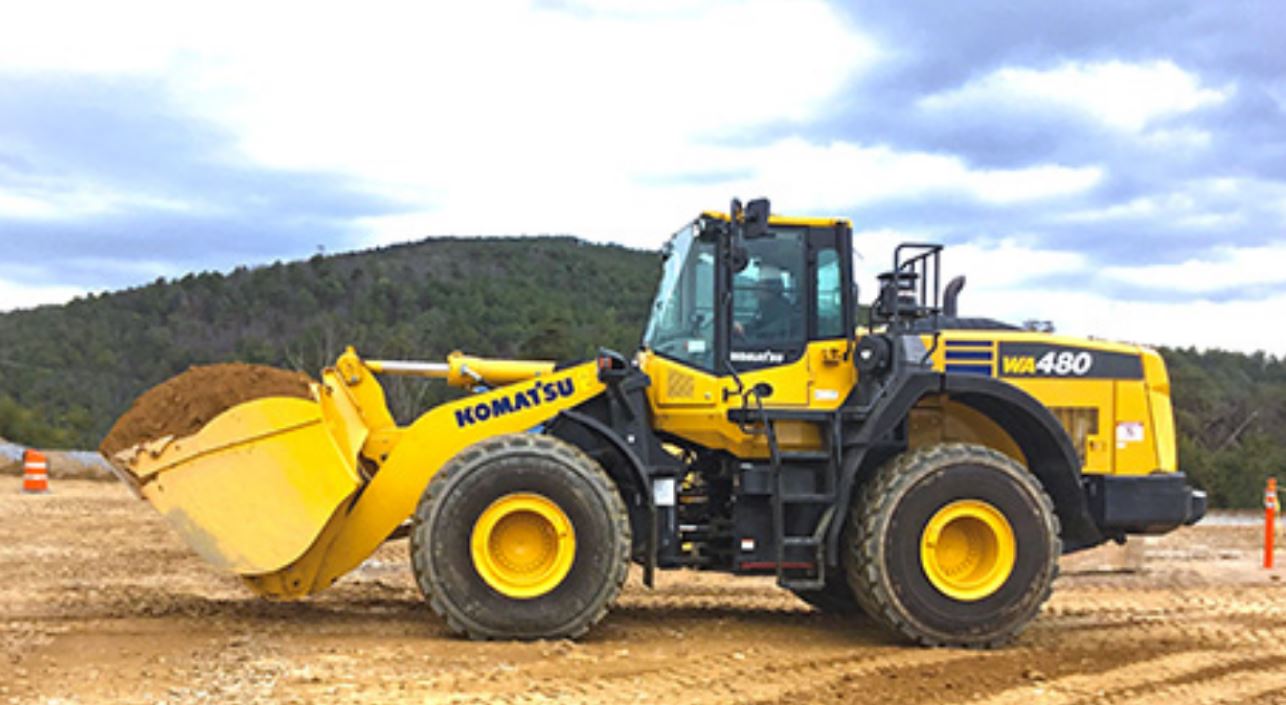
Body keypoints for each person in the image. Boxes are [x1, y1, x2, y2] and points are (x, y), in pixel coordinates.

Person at [732, 264, 794, 343]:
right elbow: (757, 324)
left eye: (760, 285)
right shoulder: (765, 306)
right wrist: (742, 328)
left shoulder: (781, 309)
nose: (756, 289)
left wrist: (746, 332)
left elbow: (769, 331)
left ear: (771, 288)